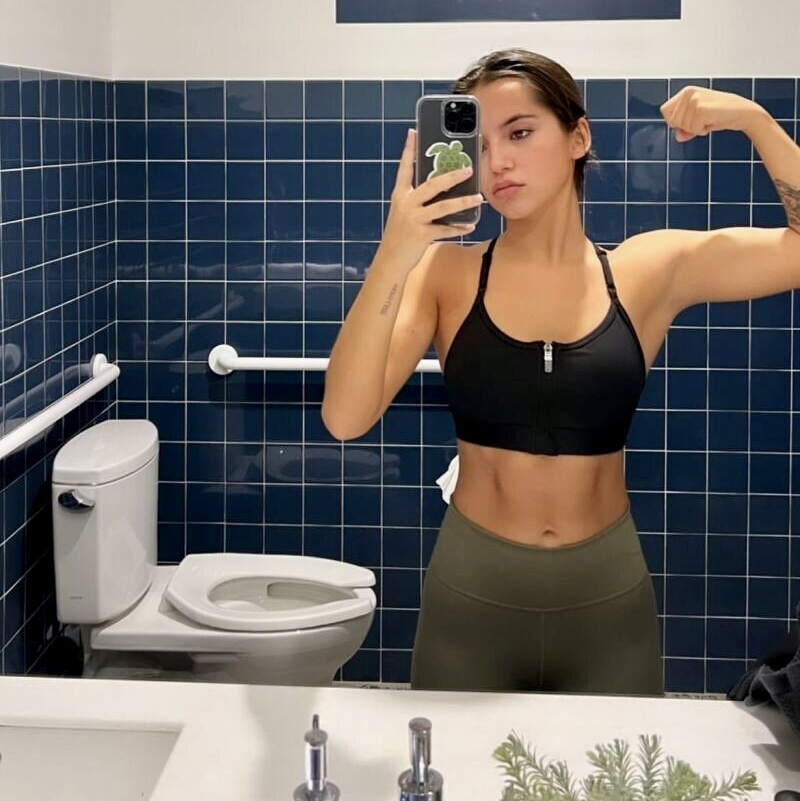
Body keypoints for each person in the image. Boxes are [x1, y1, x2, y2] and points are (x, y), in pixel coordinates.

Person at [321, 50, 800, 696]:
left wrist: (755, 122)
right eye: (480, 144)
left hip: (605, 596)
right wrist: (396, 251)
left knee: (621, 764)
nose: (497, 161)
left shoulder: (648, 270)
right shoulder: (446, 274)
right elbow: (345, 418)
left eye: (519, 132)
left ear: (579, 137)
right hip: (473, 595)